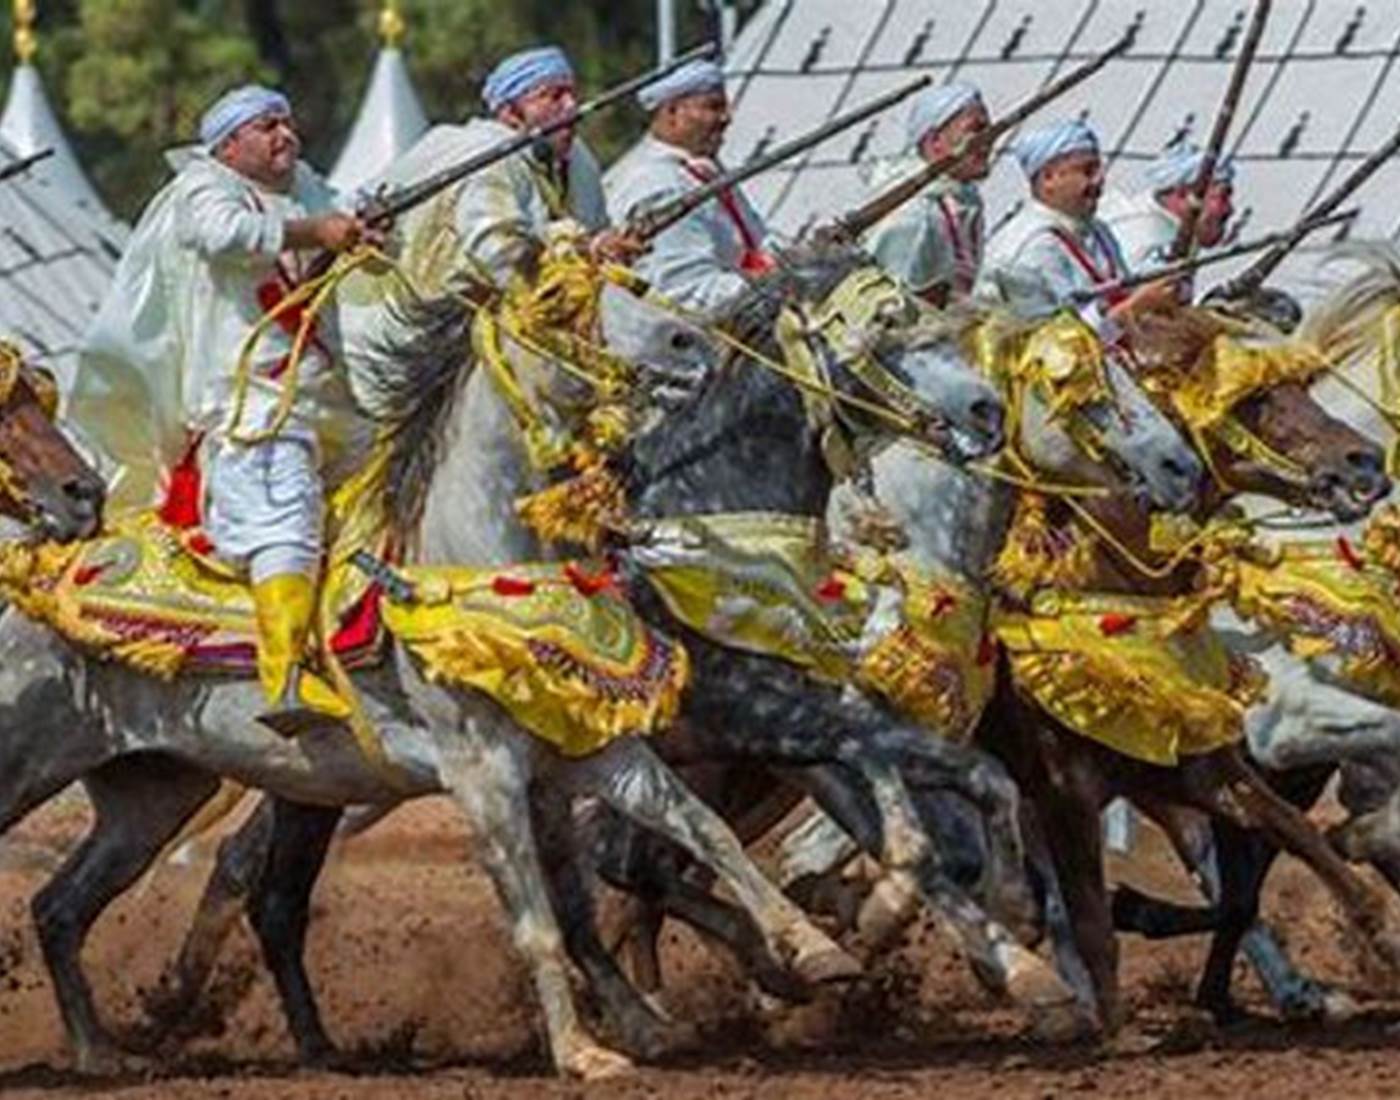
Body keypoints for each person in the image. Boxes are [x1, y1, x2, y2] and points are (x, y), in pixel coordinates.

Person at [77, 85, 378, 730]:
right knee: (286, 524)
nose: (286, 136)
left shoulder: (305, 188)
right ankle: (286, 676)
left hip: (323, 397)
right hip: (250, 409)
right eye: (268, 126)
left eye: (289, 122)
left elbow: (333, 232)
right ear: (228, 144)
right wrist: (315, 230)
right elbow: (227, 237)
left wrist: (362, 234)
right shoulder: (202, 190)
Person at [603, 57, 773, 312]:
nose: (726, 118)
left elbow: (756, 244)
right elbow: (688, 294)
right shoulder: (659, 187)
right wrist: (770, 283)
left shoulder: (701, 171)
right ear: (672, 113)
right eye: (713, 107)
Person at [977, 118, 1175, 333]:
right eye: (1087, 171)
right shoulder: (1032, 248)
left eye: (1099, 170)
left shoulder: (1097, 230)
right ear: (1049, 178)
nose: (1100, 180)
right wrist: (1133, 308)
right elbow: (1054, 345)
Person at [863, 82, 990, 307]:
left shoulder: (962, 202)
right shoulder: (915, 218)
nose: (989, 140)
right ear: (935, 142)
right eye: (976, 130)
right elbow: (891, 312)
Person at [1101, 143, 1235, 288]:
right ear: (1183, 194)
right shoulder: (1144, 240)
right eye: (1222, 197)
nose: (1229, 209)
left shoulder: (1172, 231)